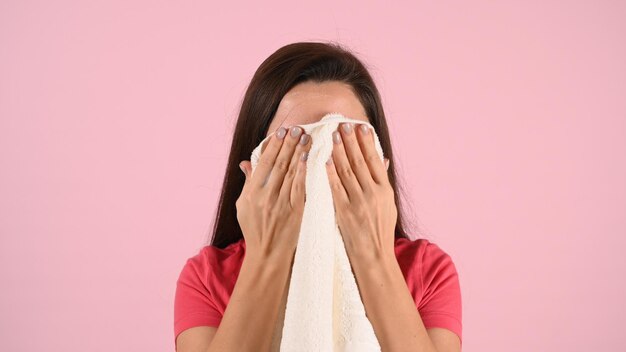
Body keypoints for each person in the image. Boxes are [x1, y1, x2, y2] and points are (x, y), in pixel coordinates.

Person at [174, 41, 462, 352]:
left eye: (343, 142)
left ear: (380, 164)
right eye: (295, 146)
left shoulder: (428, 271)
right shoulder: (206, 278)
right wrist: (267, 256)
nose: (320, 160)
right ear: (253, 170)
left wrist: (373, 253)